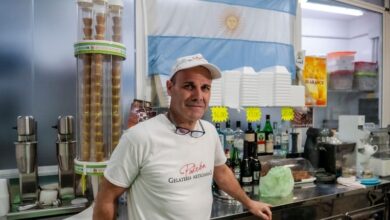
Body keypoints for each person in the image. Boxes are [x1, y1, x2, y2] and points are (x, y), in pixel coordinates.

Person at [93, 54, 272, 220]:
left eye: (205, 88)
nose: (198, 96)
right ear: (170, 88)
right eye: (189, 86)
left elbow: (222, 172)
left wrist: (249, 203)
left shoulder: (209, 132)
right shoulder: (139, 138)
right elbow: (106, 198)